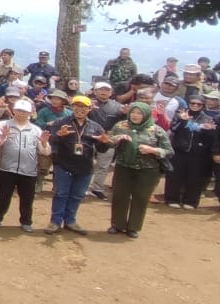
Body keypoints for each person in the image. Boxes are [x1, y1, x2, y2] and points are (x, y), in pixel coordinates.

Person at [45, 95, 111, 234]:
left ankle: (70, 221)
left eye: (84, 107)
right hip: (63, 165)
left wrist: (105, 143)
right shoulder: (60, 123)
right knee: (60, 194)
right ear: (72, 107)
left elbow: (101, 149)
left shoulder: (95, 127)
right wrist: (59, 136)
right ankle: (55, 222)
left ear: (89, 109)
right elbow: (51, 142)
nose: (80, 109)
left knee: (77, 195)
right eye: (77, 106)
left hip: (84, 167)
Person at [108, 102, 173, 238]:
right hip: (124, 167)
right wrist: (116, 139)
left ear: (146, 115)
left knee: (141, 197)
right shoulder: (120, 126)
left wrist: (152, 150)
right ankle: (117, 224)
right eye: (133, 112)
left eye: (139, 113)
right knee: (120, 195)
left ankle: (133, 227)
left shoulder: (156, 130)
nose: (135, 115)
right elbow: (107, 141)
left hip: (148, 170)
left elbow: (169, 151)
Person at [0, 99, 49, 232]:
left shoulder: (35, 129)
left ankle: (26, 221)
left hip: (29, 170)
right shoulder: (3, 125)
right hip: (6, 168)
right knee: (3, 196)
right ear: (13, 110)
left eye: (25, 111)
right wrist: (3, 136)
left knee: (27, 199)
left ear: (30, 113)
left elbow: (45, 152)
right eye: (19, 110)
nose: (21, 113)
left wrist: (44, 143)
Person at [164, 94, 217, 210]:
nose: (195, 105)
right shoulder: (180, 114)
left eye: (199, 104)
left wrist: (208, 130)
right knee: (175, 176)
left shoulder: (208, 118)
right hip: (179, 151)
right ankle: (172, 199)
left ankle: (191, 201)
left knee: (195, 177)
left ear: (203, 105)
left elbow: (211, 138)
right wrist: (182, 120)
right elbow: (173, 129)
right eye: (193, 103)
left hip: (198, 153)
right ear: (188, 103)